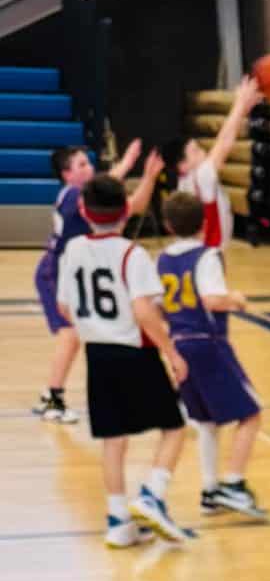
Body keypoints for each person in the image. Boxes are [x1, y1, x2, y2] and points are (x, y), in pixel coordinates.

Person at [57, 171, 193, 548]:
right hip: (133, 351)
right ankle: (152, 494)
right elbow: (144, 312)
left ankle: (118, 520)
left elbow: (65, 307)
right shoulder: (133, 254)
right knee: (174, 427)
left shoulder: (74, 250)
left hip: (97, 354)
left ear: (84, 211)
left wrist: (94, 324)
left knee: (113, 440)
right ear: (125, 211)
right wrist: (172, 352)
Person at [32, 138, 163, 425]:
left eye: (88, 163)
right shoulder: (71, 195)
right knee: (70, 335)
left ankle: (54, 394)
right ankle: (52, 398)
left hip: (71, 269)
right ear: (67, 174)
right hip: (54, 273)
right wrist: (128, 162)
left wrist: (148, 176)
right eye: (81, 165)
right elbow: (107, 185)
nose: (89, 168)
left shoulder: (88, 198)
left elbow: (133, 205)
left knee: (87, 334)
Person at [157, 188, 267, 518]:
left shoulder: (162, 259)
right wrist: (236, 299)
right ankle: (233, 483)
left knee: (205, 422)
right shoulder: (206, 257)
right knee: (251, 413)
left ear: (168, 225)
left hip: (180, 343)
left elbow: (158, 304)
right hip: (208, 342)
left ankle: (209, 490)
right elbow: (212, 299)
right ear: (204, 223)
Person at [170, 75, 261, 253]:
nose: (202, 152)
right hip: (207, 252)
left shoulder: (186, 179)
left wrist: (242, 109)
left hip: (200, 250)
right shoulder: (201, 175)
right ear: (183, 166)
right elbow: (224, 142)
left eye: (198, 147)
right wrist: (240, 104)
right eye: (195, 152)